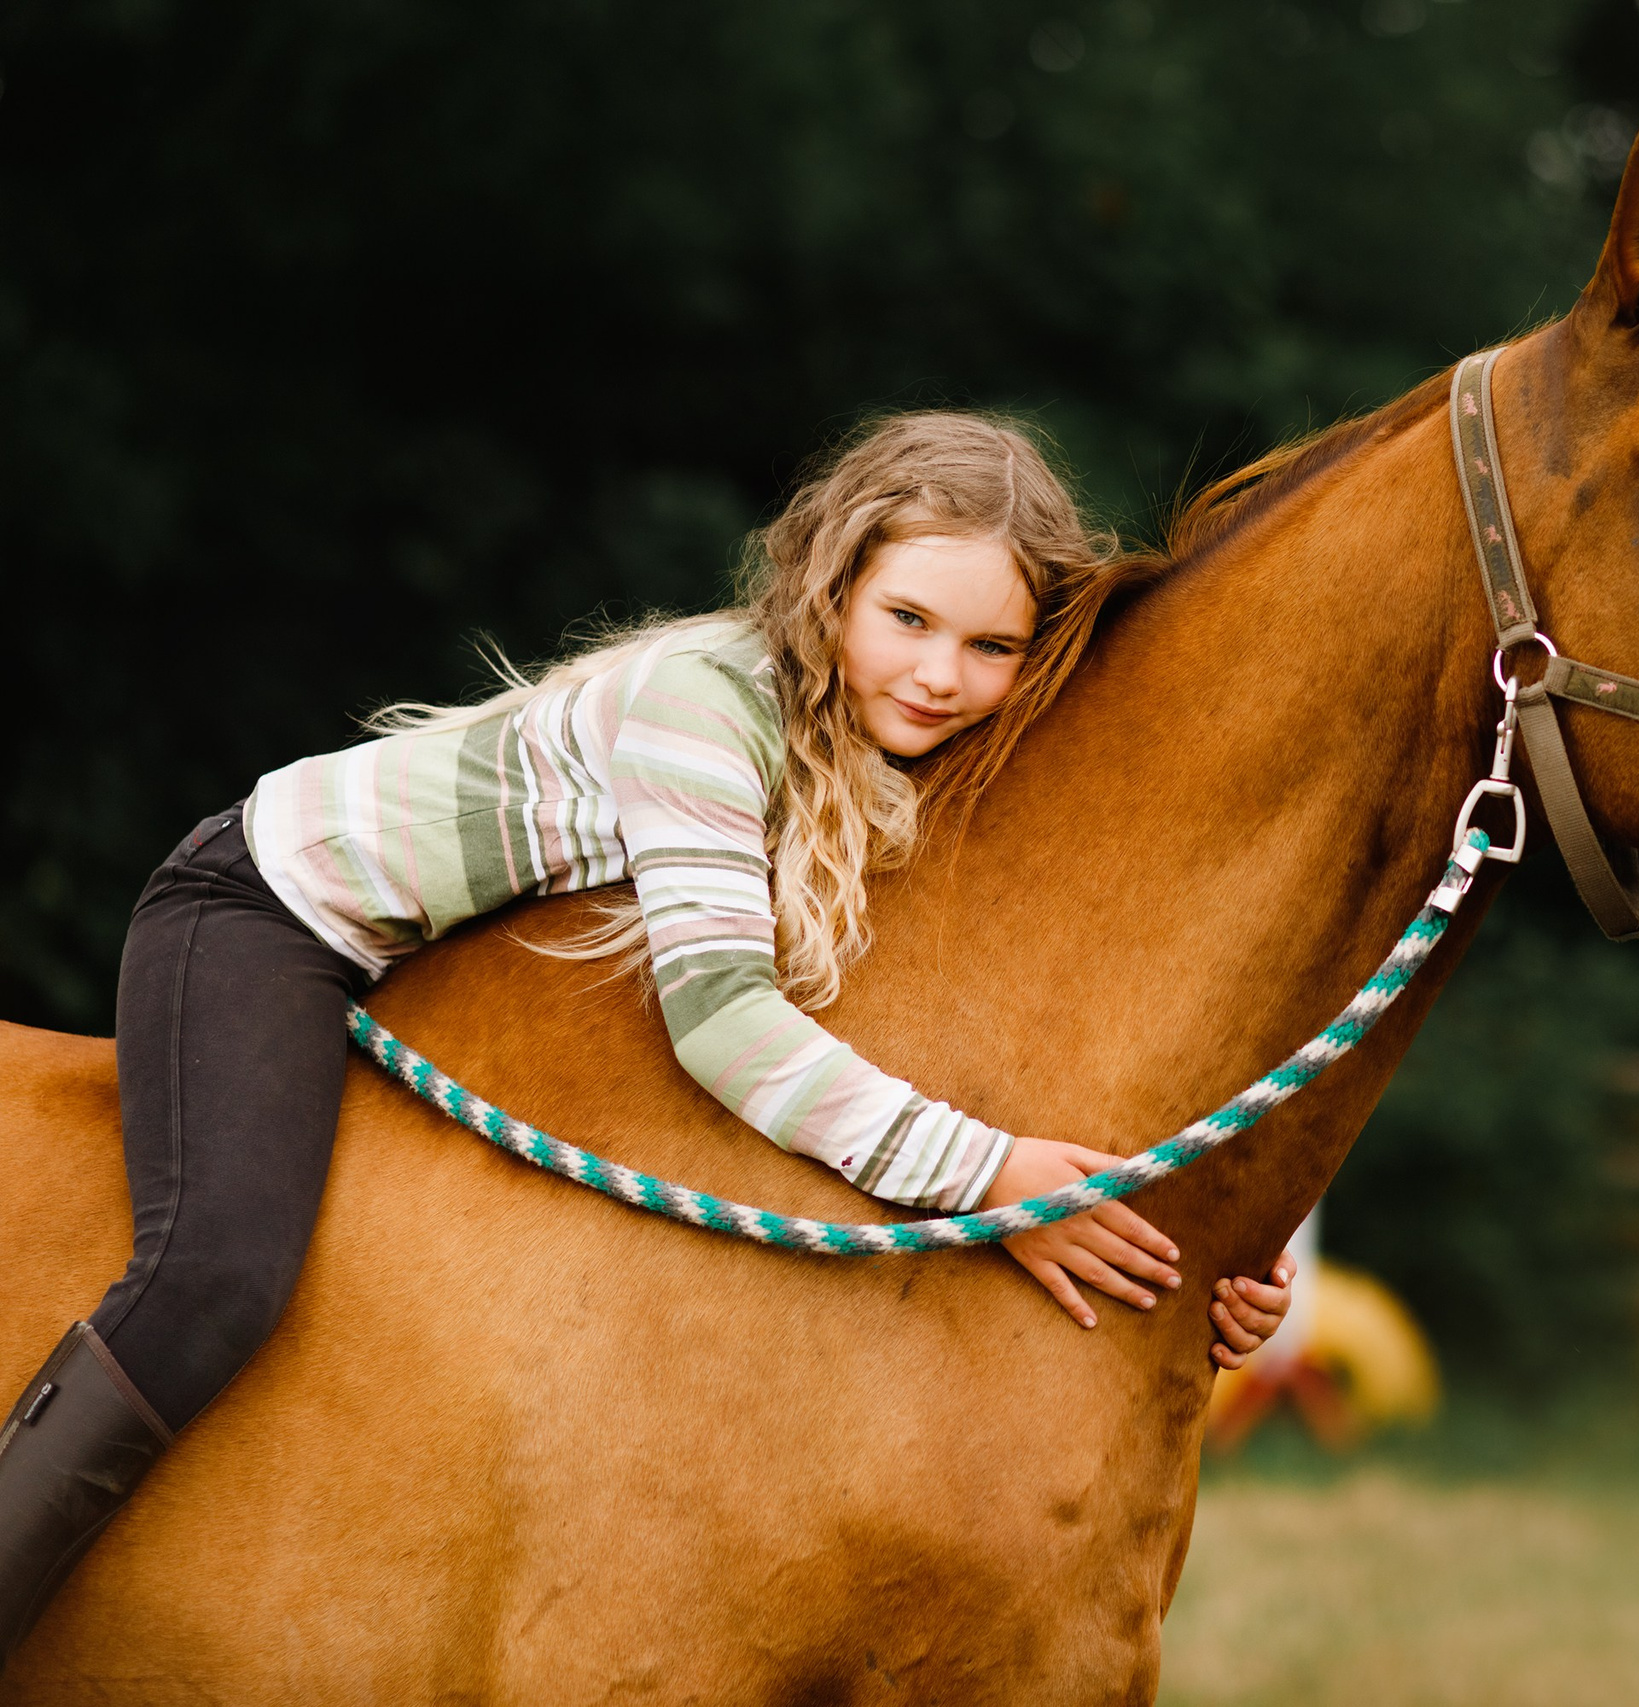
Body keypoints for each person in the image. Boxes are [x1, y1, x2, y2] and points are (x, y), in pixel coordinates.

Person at [0, 412, 1295, 1658]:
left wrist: (1205, 1243)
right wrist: (986, 1170)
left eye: (992, 645)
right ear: (834, 585)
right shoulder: (705, 704)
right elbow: (721, 1018)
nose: (942, 674)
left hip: (430, 964)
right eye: (907, 618)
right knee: (216, 1274)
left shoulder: (916, 740)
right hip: (268, 911)